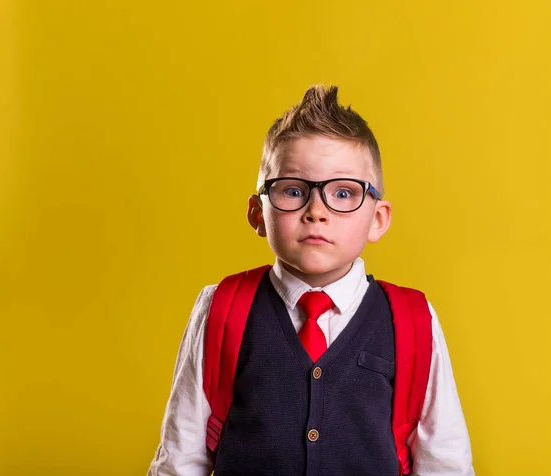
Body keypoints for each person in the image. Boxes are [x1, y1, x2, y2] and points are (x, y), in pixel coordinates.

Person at [147, 85, 474, 475]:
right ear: (257, 212)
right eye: (292, 190)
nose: (316, 211)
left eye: (342, 192)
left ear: (378, 218)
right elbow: (180, 458)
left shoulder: (413, 318)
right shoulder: (222, 307)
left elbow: (445, 460)